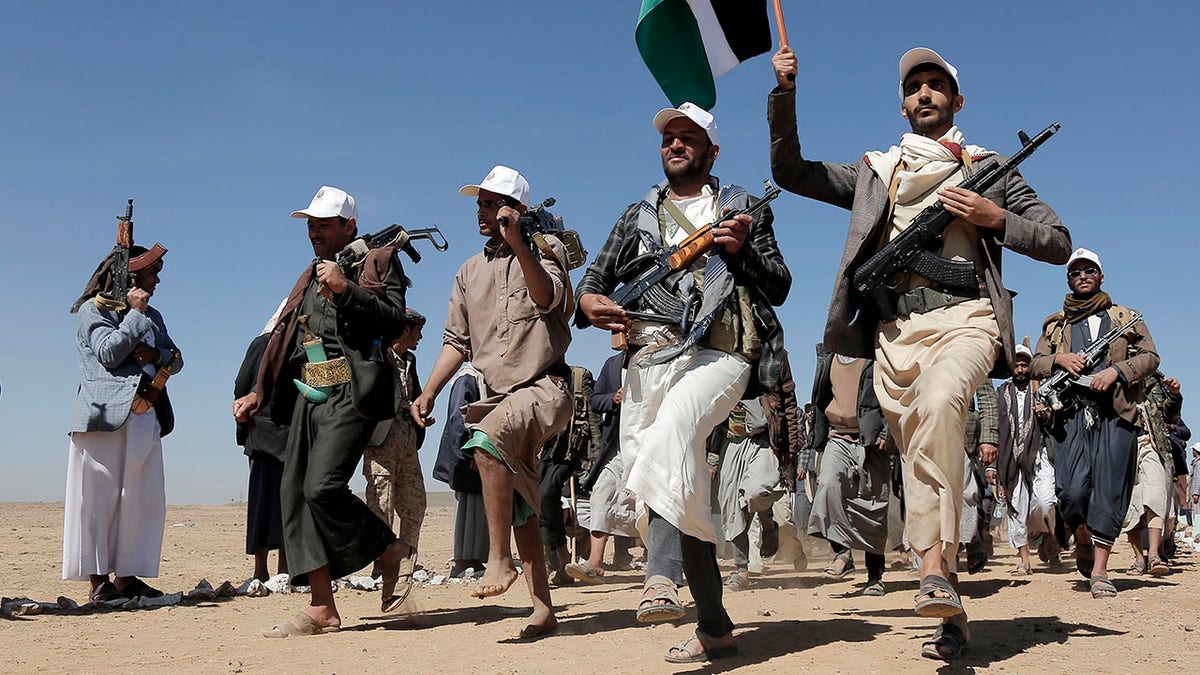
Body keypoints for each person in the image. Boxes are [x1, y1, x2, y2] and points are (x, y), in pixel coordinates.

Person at [768, 46, 1071, 660]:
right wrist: (786, 93)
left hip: (968, 320)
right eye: (914, 88)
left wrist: (994, 218)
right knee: (921, 461)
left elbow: (1058, 242)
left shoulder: (990, 168)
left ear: (957, 101)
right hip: (894, 337)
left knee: (939, 408)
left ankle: (931, 563)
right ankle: (949, 608)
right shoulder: (878, 173)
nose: (924, 95)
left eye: (937, 86)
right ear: (902, 104)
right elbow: (790, 171)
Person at [576, 102, 790, 663]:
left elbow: (780, 283)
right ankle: (715, 625)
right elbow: (594, 279)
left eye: (688, 137)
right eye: (669, 137)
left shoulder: (742, 208)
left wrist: (740, 252)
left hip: (720, 355)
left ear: (712, 150)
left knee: (673, 433)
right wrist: (589, 301)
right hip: (647, 362)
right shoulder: (637, 215)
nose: (676, 144)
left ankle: (659, 578)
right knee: (676, 485)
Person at [235, 186, 411, 636]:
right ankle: (322, 607)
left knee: (322, 487)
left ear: (349, 225)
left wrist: (346, 288)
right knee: (294, 493)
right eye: (310, 224)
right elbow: (285, 340)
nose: (314, 231)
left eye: (324, 224)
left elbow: (394, 320)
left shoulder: (377, 261)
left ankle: (388, 550)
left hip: (352, 394)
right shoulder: (307, 277)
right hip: (311, 395)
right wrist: (260, 390)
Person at [410, 165, 573, 639]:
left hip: (546, 388)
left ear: (518, 210)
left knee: (485, 440)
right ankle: (543, 609)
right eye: (479, 204)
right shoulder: (468, 272)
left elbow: (550, 302)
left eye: (492, 203)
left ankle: (497, 558)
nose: (482, 213)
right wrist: (428, 392)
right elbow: (456, 342)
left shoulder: (547, 251)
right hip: (497, 396)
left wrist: (521, 243)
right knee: (520, 499)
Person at [1031, 247, 1160, 600]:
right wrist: (1060, 359)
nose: (1083, 276)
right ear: (1069, 279)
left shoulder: (1124, 318)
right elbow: (1035, 364)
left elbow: (1150, 357)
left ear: (1101, 277)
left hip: (1116, 415)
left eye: (1090, 271)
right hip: (1072, 415)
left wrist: (1117, 371)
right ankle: (1081, 536)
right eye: (1076, 272)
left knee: (1110, 491)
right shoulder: (1055, 325)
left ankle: (1100, 571)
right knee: (1070, 491)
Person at [64, 243, 181, 602]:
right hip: (103, 419)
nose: (158, 280)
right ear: (130, 277)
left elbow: (175, 359)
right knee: (98, 500)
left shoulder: (154, 316)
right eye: (152, 272)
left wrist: (156, 354)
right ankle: (99, 582)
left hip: (146, 413)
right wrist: (133, 315)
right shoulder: (91, 311)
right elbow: (110, 353)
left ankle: (128, 579)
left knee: (140, 498)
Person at [806, 348, 890, 596]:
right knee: (829, 486)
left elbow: (895, 392)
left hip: (871, 441)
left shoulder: (877, 353)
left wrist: (887, 431)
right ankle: (842, 553)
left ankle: (875, 577)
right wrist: (817, 435)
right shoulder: (826, 357)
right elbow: (819, 398)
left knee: (874, 507)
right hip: (837, 437)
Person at [361, 307, 428, 598]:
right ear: (403, 330)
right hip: (381, 443)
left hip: (407, 442)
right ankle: (383, 565)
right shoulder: (377, 357)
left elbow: (415, 396)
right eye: (416, 330)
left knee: (415, 504)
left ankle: (405, 566)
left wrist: (420, 414)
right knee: (381, 506)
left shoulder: (409, 361)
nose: (420, 337)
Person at [567, 352, 640, 584]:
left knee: (652, 503)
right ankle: (595, 563)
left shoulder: (661, 359)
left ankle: (664, 563)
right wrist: (613, 398)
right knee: (602, 492)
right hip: (617, 447)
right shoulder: (613, 364)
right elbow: (596, 401)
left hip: (650, 445)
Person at [233, 302, 290, 582]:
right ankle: (261, 569)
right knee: (263, 502)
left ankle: (285, 569)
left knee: (289, 502)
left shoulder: (304, 346)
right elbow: (242, 385)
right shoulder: (262, 344)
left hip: (292, 436)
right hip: (264, 435)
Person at [993, 342, 1059, 575]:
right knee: (1017, 508)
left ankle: (1047, 533)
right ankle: (1024, 560)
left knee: (1045, 501)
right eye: (1016, 365)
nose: (1020, 369)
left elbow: (1057, 423)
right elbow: (993, 427)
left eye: (1024, 365)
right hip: (1010, 458)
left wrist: (1046, 413)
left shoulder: (1044, 389)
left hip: (1039, 454)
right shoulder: (1000, 393)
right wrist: (993, 465)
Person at [711, 398, 784, 591]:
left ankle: (768, 525)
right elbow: (712, 418)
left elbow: (788, 410)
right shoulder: (723, 375)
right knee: (733, 508)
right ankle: (742, 569)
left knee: (756, 492)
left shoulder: (768, 372)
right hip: (730, 444)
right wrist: (712, 457)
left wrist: (790, 454)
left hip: (763, 442)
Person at [430, 364, 490, 577]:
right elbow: (459, 420)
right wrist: (472, 451)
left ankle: (474, 558)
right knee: (468, 505)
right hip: (467, 454)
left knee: (480, 505)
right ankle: (463, 560)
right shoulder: (468, 378)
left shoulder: (482, 378)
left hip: (478, 452)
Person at [1120, 371, 1181, 576]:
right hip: (1124, 449)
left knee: (1155, 496)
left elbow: (1171, 415)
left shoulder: (1155, 381)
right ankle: (1139, 559)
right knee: (1130, 504)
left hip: (1154, 446)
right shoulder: (1113, 377)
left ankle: (1154, 555)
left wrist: (1174, 395)